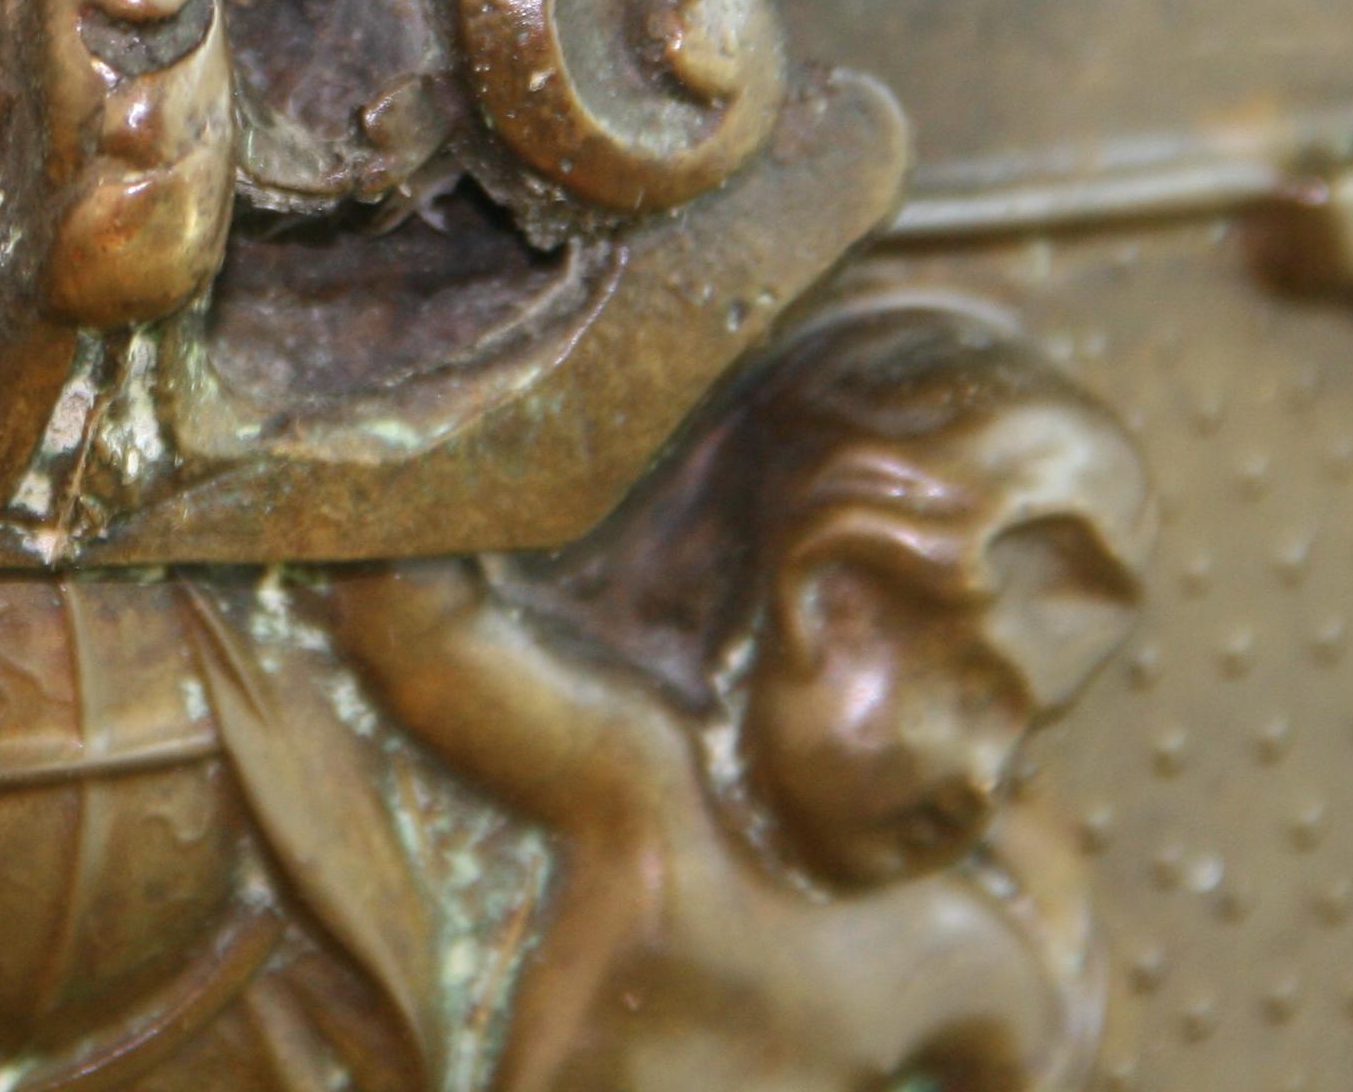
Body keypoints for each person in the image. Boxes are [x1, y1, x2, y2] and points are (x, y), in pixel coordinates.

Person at [329, 303, 1151, 1092]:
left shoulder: (949, 953)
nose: (988, 783)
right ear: (833, 607)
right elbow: (420, 639)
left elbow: (1045, 1059)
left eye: (1027, 735)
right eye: (976, 700)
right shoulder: (648, 791)